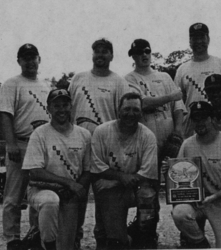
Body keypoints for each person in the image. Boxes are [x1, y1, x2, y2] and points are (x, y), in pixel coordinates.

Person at [69, 38, 130, 249]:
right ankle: (73, 240)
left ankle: (104, 241)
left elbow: (125, 116)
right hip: (78, 146)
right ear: (92, 54)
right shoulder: (78, 78)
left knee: (106, 196)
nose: (101, 55)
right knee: (77, 195)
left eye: (105, 51)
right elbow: (67, 111)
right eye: (97, 51)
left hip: (106, 148)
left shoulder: (119, 82)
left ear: (112, 55)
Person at [0, 44, 51, 250]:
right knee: (14, 195)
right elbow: (4, 114)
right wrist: (11, 144)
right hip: (20, 142)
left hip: (42, 145)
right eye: (25, 58)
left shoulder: (46, 86)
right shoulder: (12, 84)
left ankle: (36, 233)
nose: (30, 61)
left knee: (41, 191)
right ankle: (13, 239)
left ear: (39, 59)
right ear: (19, 61)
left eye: (33, 57)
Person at [22, 89, 91, 250]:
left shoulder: (84, 134)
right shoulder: (40, 134)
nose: (61, 109)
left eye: (65, 105)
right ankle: (45, 243)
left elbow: (88, 170)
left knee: (67, 244)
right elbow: (34, 171)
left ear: (71, 106)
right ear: (49, 108)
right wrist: (67, 183)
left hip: (70, 194)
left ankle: (45, 235)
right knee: (50, 201)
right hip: (42, 189)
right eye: (56, 105)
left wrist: (76, 189)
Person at [91, 92, 159, 249]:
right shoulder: (102, 131)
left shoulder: (147, 136)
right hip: (109, 188)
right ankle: (116, 237)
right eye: (127, 109)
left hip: (134, 187)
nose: (131, 114)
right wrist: (120, 177)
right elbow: (96, 167)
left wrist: (118, 181)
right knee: (117, 243)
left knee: (147, 195)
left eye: (136, 110)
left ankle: (145, 235)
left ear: (141, 112)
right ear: (118, 110)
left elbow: (147, 173)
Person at [163, 101, 221, 248]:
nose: (199, 122)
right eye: (196, 119)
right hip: (198, 201)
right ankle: (200, 244)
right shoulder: (188, 144)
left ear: (212, 119)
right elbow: (178, 179)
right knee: (180, 213)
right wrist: (169, 172)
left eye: (203, 118)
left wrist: (215, 197)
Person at [125, 39, 185, 167]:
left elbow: (178, 107)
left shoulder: (165, 77)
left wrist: (178, 130)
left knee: (170, 175)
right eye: (139, 52)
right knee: (148, 176)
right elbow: (142, 104)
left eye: (147, 51)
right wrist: (170, 97)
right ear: (133, 56)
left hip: (169, 137)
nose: (144, 55)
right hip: (144, 139)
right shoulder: (129, 79)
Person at [174, 22, 221, 138]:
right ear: (189, 41)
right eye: (194, 38)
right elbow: (178, 104)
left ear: (208, 39)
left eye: (202, 37)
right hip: (193, 128)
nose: (198, 41)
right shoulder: (182, 70)